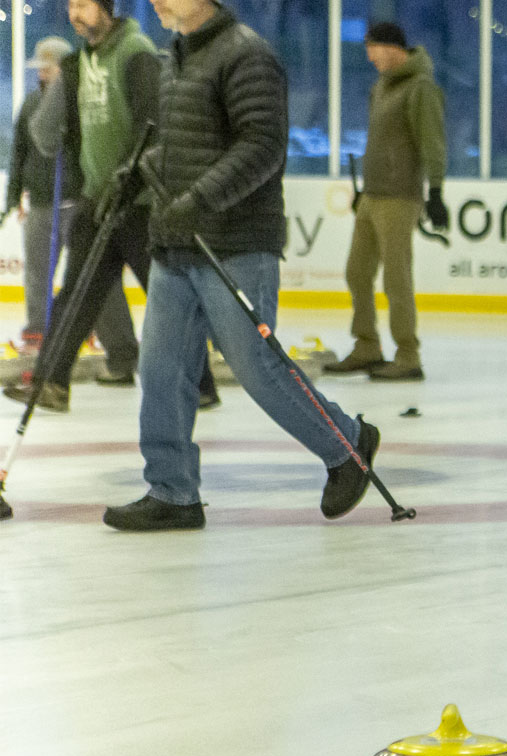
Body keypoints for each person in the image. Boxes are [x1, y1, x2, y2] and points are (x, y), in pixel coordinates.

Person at [105, 0, 381, 531]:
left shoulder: (247, 55)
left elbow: (262, 147)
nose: (158, 1)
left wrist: (202, 199)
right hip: (176, 242)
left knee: (257, 369)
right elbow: (183, 145)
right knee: (161, 370)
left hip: (234, 243)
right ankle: (172, 490)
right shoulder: (175, 57)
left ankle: (347, 445)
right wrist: (137, 173)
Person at [5, 0, 217, 414]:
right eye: (70, 6)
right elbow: (64, 134)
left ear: (105, 9)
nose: (75, 13)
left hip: (139, 204)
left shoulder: (135, 53)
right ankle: (51, 383)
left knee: (166, 297)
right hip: (97, 200)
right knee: (76, 296)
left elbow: (151, 127)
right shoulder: (82, 61)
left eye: (83, 5)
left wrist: (129, 178)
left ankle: (202, 384)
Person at [322, 20, 448, 382]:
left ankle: (408, 354)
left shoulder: (420, 87)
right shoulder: (381, 87)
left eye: (373, 50)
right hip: (373, 195)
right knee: (357, 272)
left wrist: (435, 192)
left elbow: (433, 143)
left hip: (399, 196)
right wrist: (364, 188)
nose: (371, 59)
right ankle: (367, 346)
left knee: (396, 278)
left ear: (392, 47)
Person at [5, 37, 78, 348]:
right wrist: (13, 198)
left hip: (75, 202)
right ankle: (37, 329)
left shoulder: (79, 104)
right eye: (40, 69)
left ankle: (79, 328)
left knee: (82, 272)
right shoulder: (32, 103)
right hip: (41, 204)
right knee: (36, 272)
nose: (42, 74)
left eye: (49, 69)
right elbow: (19, 153)